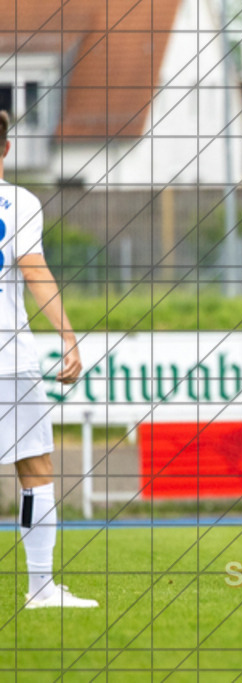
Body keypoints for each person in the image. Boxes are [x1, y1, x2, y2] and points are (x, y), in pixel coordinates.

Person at [0, 110, 96, 608]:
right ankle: (40, 589)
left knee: (35, 464)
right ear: (8, 149)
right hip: (9, 358)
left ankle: (42, 588)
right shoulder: (18, 202)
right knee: (34, 467)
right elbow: (34, 272)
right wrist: (68, 336)